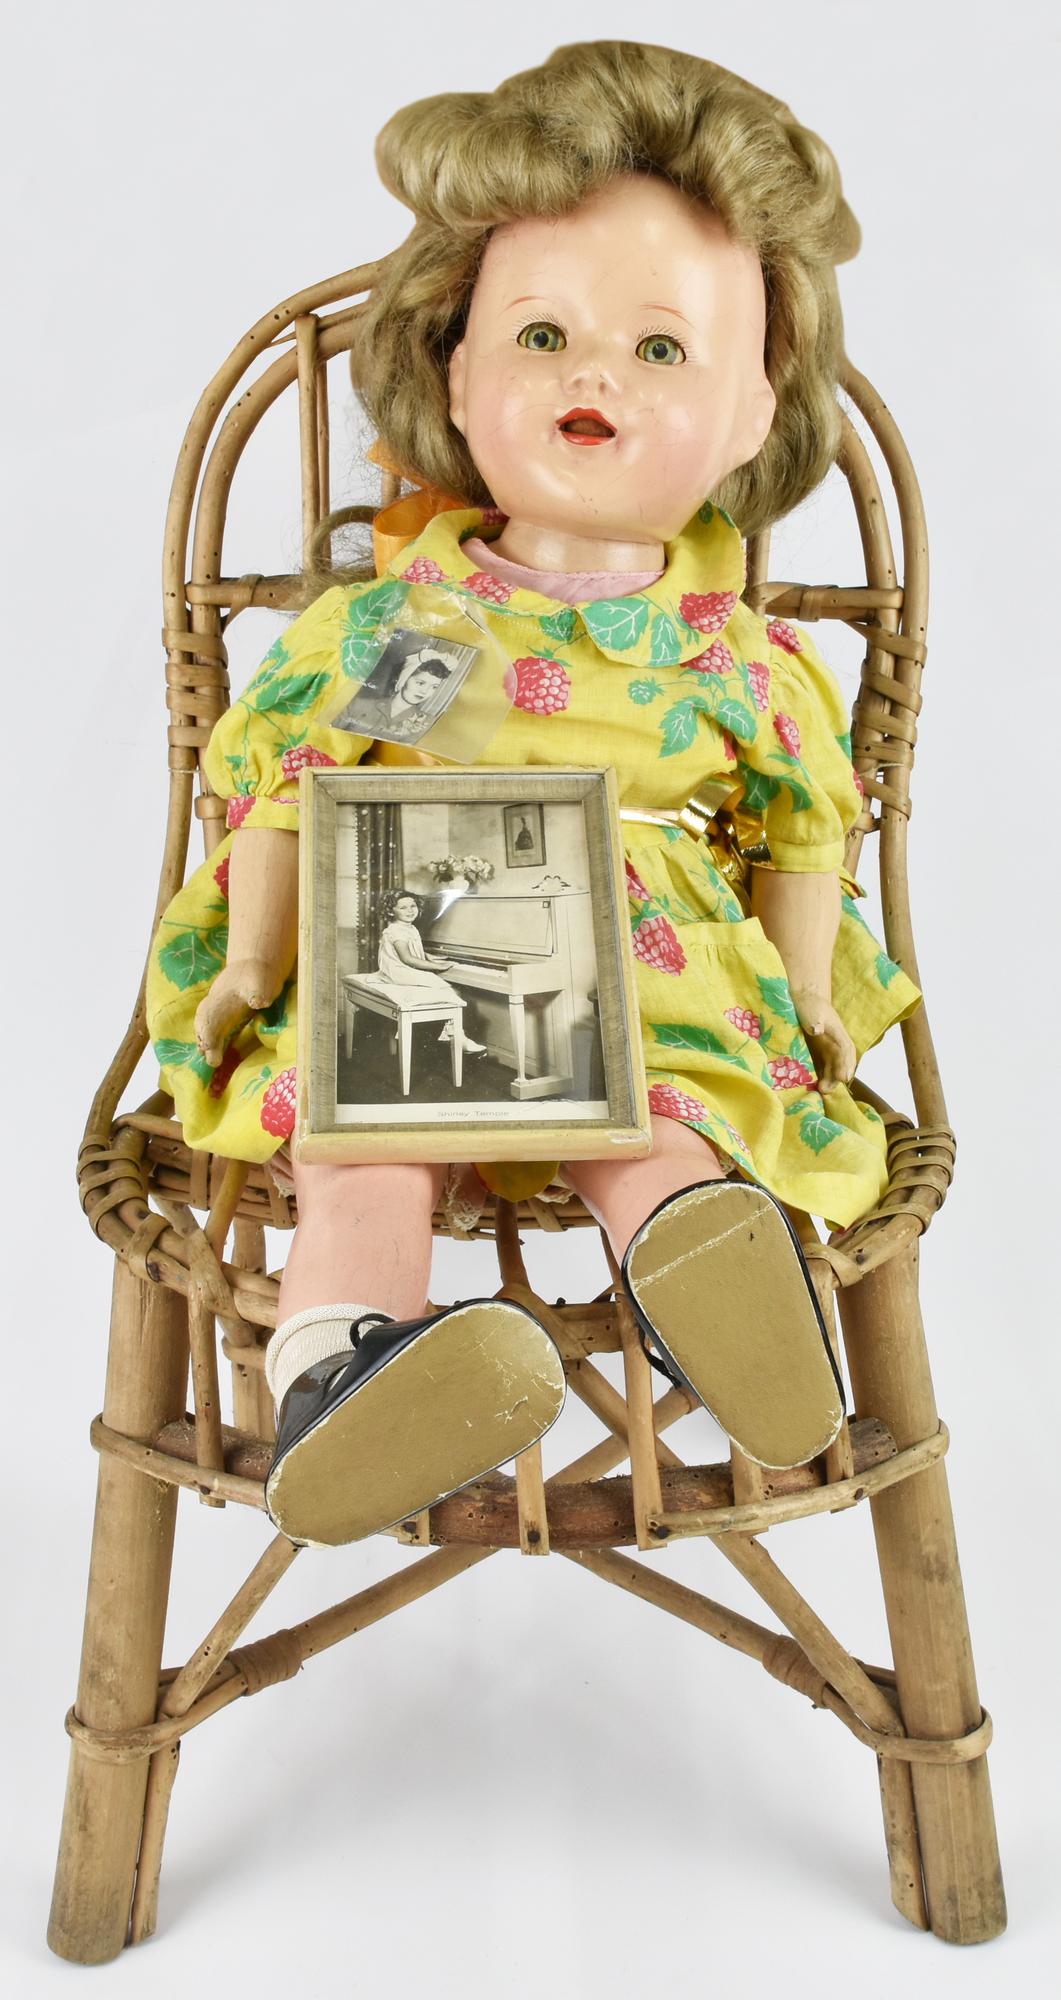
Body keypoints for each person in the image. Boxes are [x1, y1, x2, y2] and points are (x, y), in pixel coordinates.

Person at [145, 41, 923, 1547]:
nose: (591, 374)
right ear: (455, 370)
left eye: (660, 349)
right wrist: (251, 958)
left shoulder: (732, 656)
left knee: (662, 1106)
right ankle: (346, 1379)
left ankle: (711, 1285)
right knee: (360, 1140)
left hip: (643, 966)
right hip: (407, 941)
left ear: (755, 413)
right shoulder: (406, 627)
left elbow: (803, 826)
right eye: (543, 333)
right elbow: (296, 788)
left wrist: (805, 995)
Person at [375, 889, 486, 1054]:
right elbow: (407, 958)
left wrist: (429, 957)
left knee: (451, 990)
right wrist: (437, 966)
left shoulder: (409, 928)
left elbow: (414, 950)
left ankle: (452, 1033)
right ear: (391, 911)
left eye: (413, 906)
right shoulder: (396, 931)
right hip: (399, 972)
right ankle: (456, 1036)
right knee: (451, 990)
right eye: (403, 907)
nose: (410, 910)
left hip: (406, 969)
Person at [338, 651, 452, 743]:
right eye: (420, 683)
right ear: (403, 679)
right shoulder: (359, 704)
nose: (425, 691)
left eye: (434, 687)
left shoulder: (427, 722)